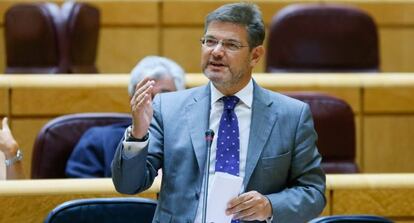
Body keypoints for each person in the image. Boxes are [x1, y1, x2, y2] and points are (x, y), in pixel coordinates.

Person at [112, 3, 326, 223]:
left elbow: (313, 192)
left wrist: (270, 206)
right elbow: (128, 185)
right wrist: (137, 135)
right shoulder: (168, 109)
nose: (216, 51)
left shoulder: (291, 115)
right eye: (210, 41)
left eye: (231, 44)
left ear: (255, 55)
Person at [65, 56, 185, 178]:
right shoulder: (98, 142)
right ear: (132, 101)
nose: (154, 105)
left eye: (164, 97)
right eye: (145, 96)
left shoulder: (196, 141)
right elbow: (80, 194)